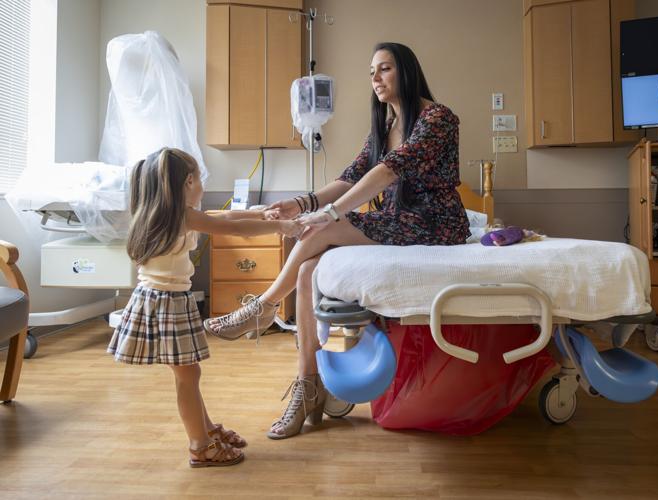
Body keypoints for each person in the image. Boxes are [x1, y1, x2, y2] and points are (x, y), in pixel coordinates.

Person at [204, 42, 469, 439]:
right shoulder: (383, 125)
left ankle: (265, 306)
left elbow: (386, 172)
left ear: (407, 72)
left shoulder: (438, 118)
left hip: (435, 224)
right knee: (309, 269)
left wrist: (330, 214)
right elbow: (350, 176)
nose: (375, 79)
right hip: (397, 220)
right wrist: (300, 203)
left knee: (322, 229)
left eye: (385, 69)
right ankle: (308, 386)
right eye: (372, 72)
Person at [107, 147, 301, 467]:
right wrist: (281, 228)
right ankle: (200, 445)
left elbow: (223, 217)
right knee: (187, 376)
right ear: (186, 183)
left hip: (163, 300)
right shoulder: (182, 216)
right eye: (200, 179)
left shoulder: (164, 212)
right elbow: (232, 228)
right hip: (166, 303)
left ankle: (206, 429)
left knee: (189, 374)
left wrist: (262, 213)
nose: (203, 186)